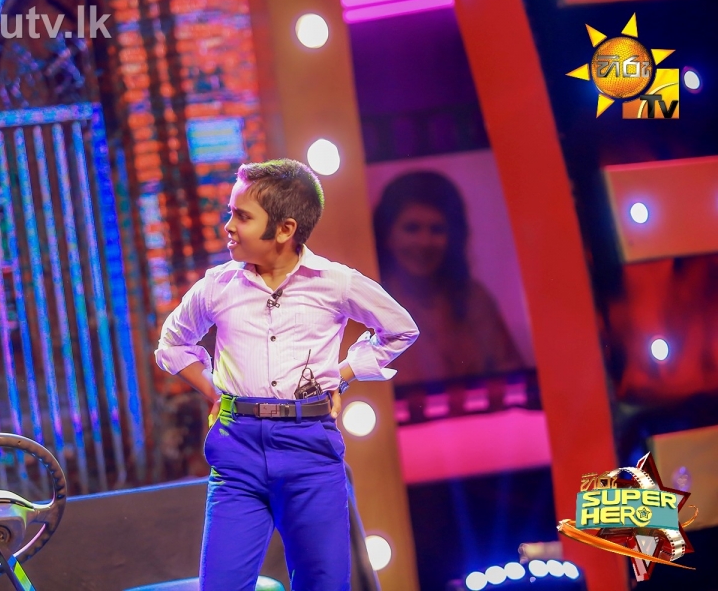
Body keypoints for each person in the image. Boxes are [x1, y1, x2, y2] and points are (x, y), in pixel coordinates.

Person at [155, 158, 418, 590]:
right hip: (237, 450)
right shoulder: (218, 286)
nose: (229, 226)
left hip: (310, 449)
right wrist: (213, 391)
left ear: (284, 230)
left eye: (242, 216)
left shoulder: (334, 282)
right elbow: (172, 343)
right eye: (230, 213)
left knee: (323, 583)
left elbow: (400, 329)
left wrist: (342, 373)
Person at [372, 171, 523, 385]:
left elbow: (512, 378)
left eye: (436, 229)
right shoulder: (370, 305)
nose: (424, 242)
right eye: (412, 228)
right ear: (387, 235)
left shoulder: (475, 299)